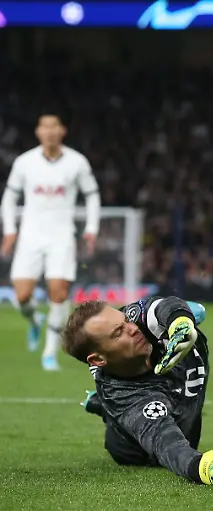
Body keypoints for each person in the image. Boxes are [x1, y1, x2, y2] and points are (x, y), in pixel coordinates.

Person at [63, 296, 213, 486]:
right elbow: (169, 446)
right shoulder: (129, 400)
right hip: (132, 448)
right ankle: (104, 407)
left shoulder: (139, 323)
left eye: (125, 320)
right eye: (118, 332)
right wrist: (206, 469)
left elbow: (160, 306)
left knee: (190, 310)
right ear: (98, 359)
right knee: (124, 425)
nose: (133, 329)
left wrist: (180, 321)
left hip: (160, 388)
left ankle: (101, 402)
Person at [1, 112, 101, 371]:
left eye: (54, 126)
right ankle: (34, 320)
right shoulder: (25, 162)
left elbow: (92, 195)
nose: (49, 131)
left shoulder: (77, 162)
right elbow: (9, 198)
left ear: (62, 131)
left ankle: (49, 353)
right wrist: (10, 230)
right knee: (22, 295)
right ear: (38, 132)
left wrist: (91, 228)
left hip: (61, 236)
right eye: (44, 127)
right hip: (30, 235)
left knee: (58, 292)